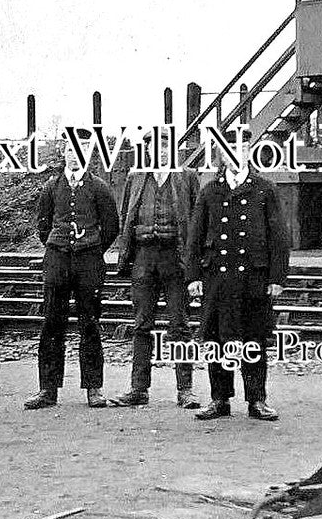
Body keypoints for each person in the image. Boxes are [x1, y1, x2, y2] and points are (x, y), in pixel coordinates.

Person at [185, 145, 291, 421]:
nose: (234, 155)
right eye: (228, 150)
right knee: (216, 338)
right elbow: (195, 236)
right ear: (221, 155)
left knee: (254, 337)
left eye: (240, 150)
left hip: (253, 276)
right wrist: (193, 276)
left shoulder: (264, 189)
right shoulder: (210, 191)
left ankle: (257, 399)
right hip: (217, 277)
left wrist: (277, 277)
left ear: (248, 154)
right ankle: (219, 399)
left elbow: (279, 236)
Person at [25, 136, 120, 410]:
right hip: (57, 261)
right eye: (70, 150)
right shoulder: (51, 188)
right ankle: (48, 390)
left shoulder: (99, 188)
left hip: (89, 262)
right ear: (64, 154)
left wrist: (91, 248)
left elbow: (111, 227)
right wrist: (59, 246)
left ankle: (93, 388)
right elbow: (43, 227)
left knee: (89, 324)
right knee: (52, 323)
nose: (74, 155)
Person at [110, 129, 202, 409]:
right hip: (144, 258)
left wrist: (195, 264)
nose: (161, 152)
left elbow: (198, 224)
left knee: (180, 325)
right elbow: (126, 215)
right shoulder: (136, 178)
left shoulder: (187, 177)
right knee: (141, 325)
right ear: (147, 150)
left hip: (175, 259)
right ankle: (138, 388)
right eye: (156, 147)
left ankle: (185, 390)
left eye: (167, 147)